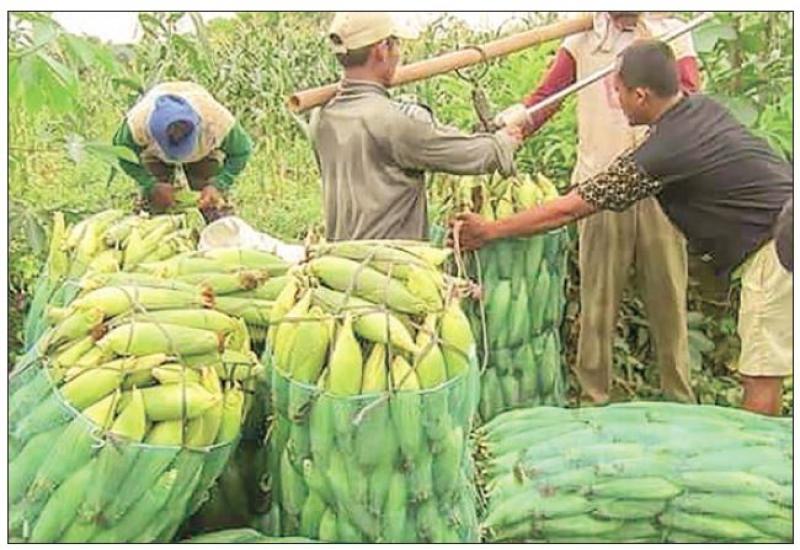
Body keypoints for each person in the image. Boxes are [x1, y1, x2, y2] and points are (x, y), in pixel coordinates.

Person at [452, 40, 793, 416]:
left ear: (641, 95)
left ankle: (761, 453)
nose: (617, 100)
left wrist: (491, 230)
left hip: (778, 246)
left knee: (762, 374)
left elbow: (569, 209)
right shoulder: (702, 109)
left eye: (619, 91)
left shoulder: (663, 151)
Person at [495, 12, 701, 405]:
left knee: (669, 300)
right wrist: (510, 130)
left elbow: (690, 96)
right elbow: (548, 97)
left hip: (660, 186)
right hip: (598, 186)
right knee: (598, 304)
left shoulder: (673, 33)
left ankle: (680, 399)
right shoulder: (582, 38)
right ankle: (594, 398)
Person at [309, 12, 522, 241]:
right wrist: (505, 141)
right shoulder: (395, 121)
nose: (399, 54)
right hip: (388, 260)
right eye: (397, 44)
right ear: (382, 49)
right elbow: (475, 155)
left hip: (340, 257)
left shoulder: (321, 117)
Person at [113, 81, 253, 220]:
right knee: (157, 201)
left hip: (203, 152)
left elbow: (242, 151)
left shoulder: (216, 122)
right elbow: (121, 153)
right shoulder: (138, 124)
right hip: (155, 154)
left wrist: (219, 184)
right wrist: (150, 184)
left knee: (210, 202)